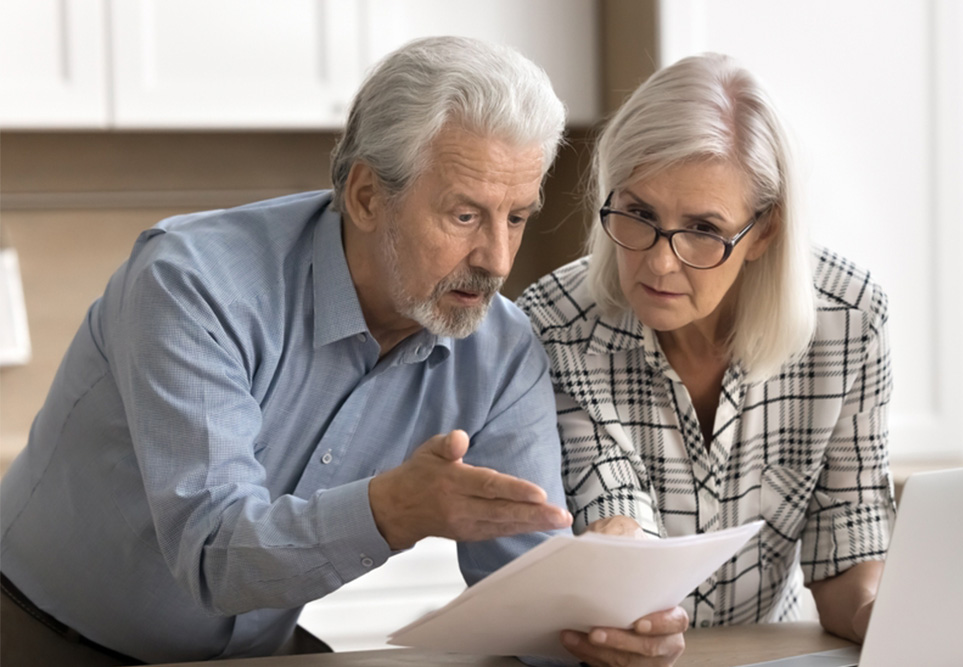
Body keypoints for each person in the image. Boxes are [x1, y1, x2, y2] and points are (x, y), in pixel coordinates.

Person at [0, 36, 682, 666]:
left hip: (255, 651)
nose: (498, 259)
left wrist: (607, 625)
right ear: (364, 196)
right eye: (465, 215)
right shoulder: (193, 284)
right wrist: (392, 510)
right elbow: (213, 552)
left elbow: (526, 589)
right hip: (40, 636)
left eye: (516, 217)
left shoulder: (500, 349)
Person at [518, 52, 896, 645]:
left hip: (765, 653)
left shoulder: (848, 322)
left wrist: (891, 619)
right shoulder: (557, 324)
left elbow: (849, 549)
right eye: (639, 213)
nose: (659, 261)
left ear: (764, 230)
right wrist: (638, 614)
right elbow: (615, 513)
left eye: (703, 229)